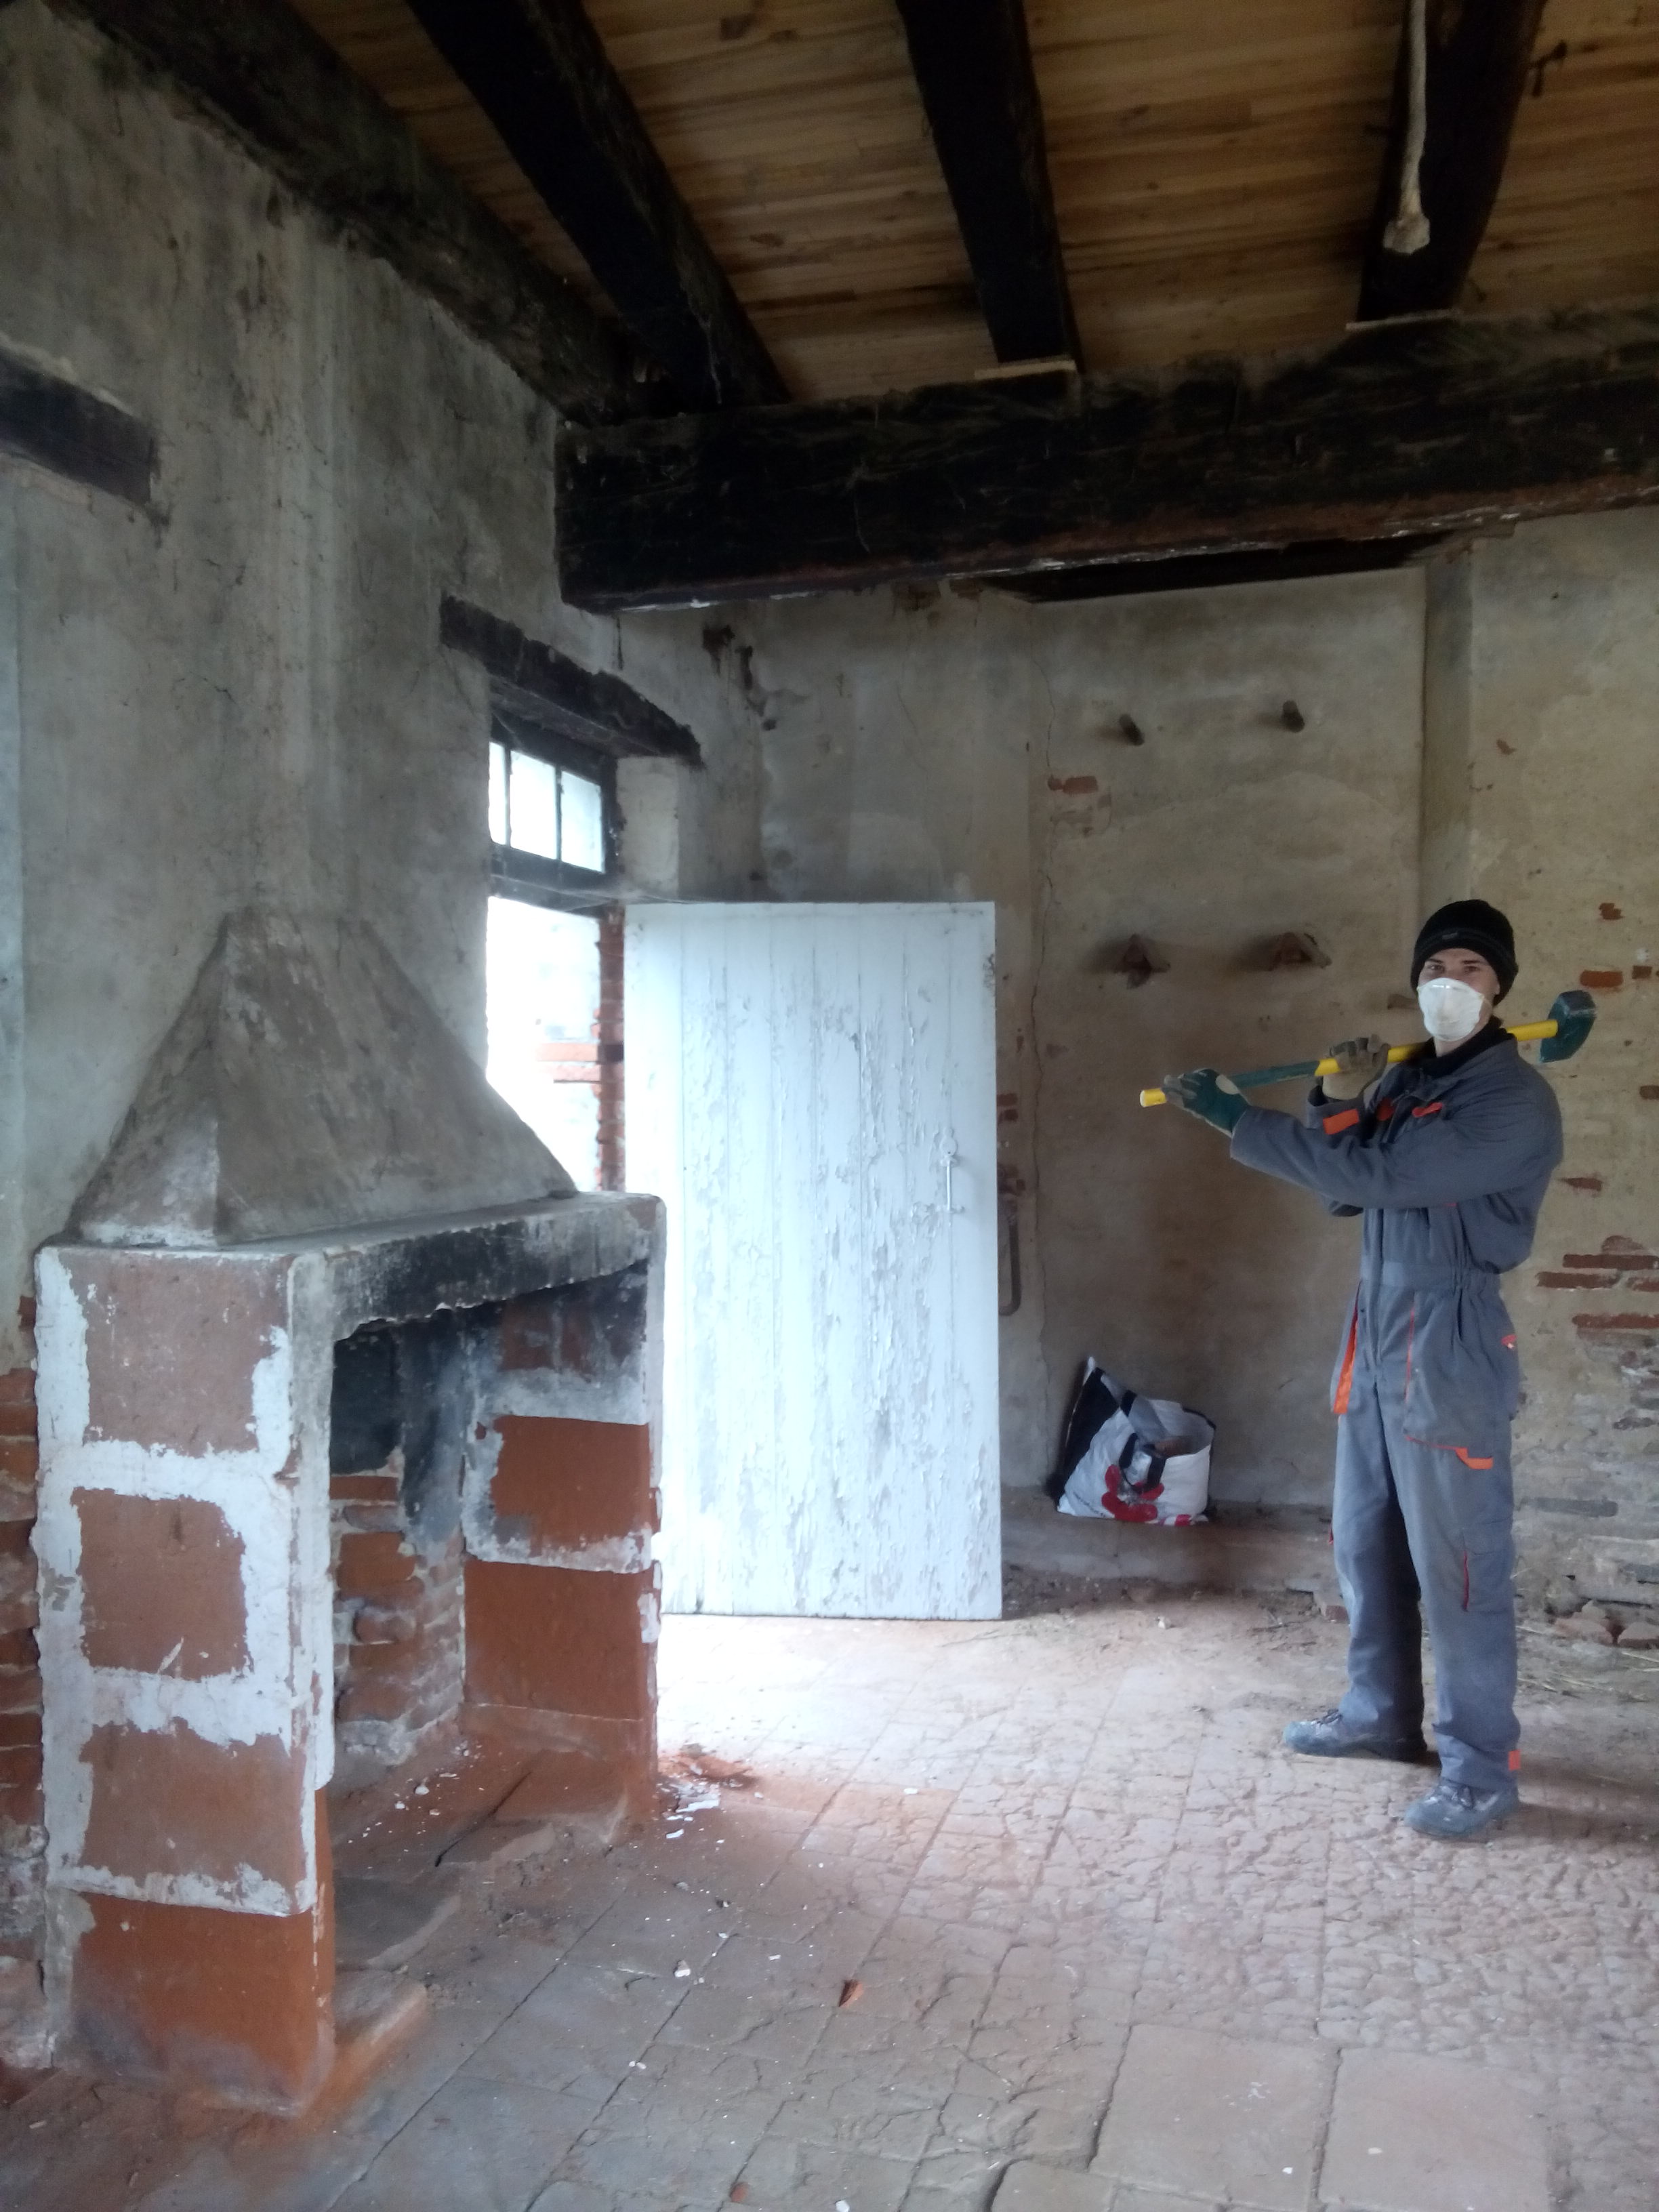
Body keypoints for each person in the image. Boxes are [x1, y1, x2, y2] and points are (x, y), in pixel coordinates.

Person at [1162, 899, 1562, 1839]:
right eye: (1434, 968)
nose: (1448, 983)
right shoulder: (1410, 1080)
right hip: (1377, 1325)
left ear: (1500, 986)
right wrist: (1338, 1099)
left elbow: (1377, 1179)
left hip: (1449, 1333)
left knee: (1461, 1563)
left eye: (1469, 968)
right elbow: (1345, 1190)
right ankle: (1380, 1715)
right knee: (1366, 1540)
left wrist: (1239, 1120)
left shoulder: (1511, 1100)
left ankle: (1480, 1768)